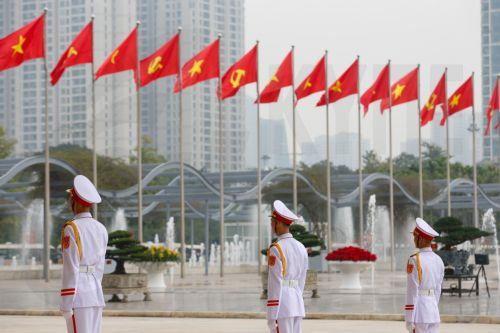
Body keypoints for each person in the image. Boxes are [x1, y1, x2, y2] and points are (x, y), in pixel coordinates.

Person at [60, 175, 108, 333]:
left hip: (78, 295)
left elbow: (70, 267)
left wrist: (66, 302)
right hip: (95, 293)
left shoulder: (71, 228)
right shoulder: (101, 228)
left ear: (74, 201)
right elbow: (100, 267)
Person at [267, 200, 308, 333]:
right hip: (296, 301)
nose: (271, 226)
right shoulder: (301, 247)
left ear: (277, 224)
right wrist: (297, 296)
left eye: (272, 223)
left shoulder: (276, 248)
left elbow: (275, 283)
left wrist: (272, 314)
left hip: (282, 304)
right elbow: (302, 278)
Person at [405, 217, 444, 333]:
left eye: (415, 237)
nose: (414, 240)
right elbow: (438, 289)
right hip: (433, 311)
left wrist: (409, 318)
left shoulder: (414, 260)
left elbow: (412, 290)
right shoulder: (438, 260)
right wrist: (433, 306)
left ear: (420, 239)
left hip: (420, 313)